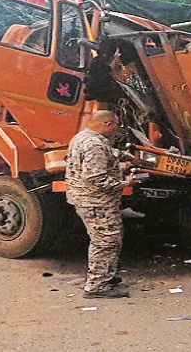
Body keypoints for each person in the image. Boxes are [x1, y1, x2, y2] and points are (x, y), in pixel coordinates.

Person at [66, 110, 138, 299]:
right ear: (108, 124)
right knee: (104, 242)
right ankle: (96, 287)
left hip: (90, 200)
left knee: (113, 237)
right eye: (116, 126)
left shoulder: (83, 137)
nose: (117, 131)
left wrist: (123, 157)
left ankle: (107, 275)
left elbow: (103, 155)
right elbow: (96, 179)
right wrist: (125, 184)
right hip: (96, 202)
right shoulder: (94, 144)